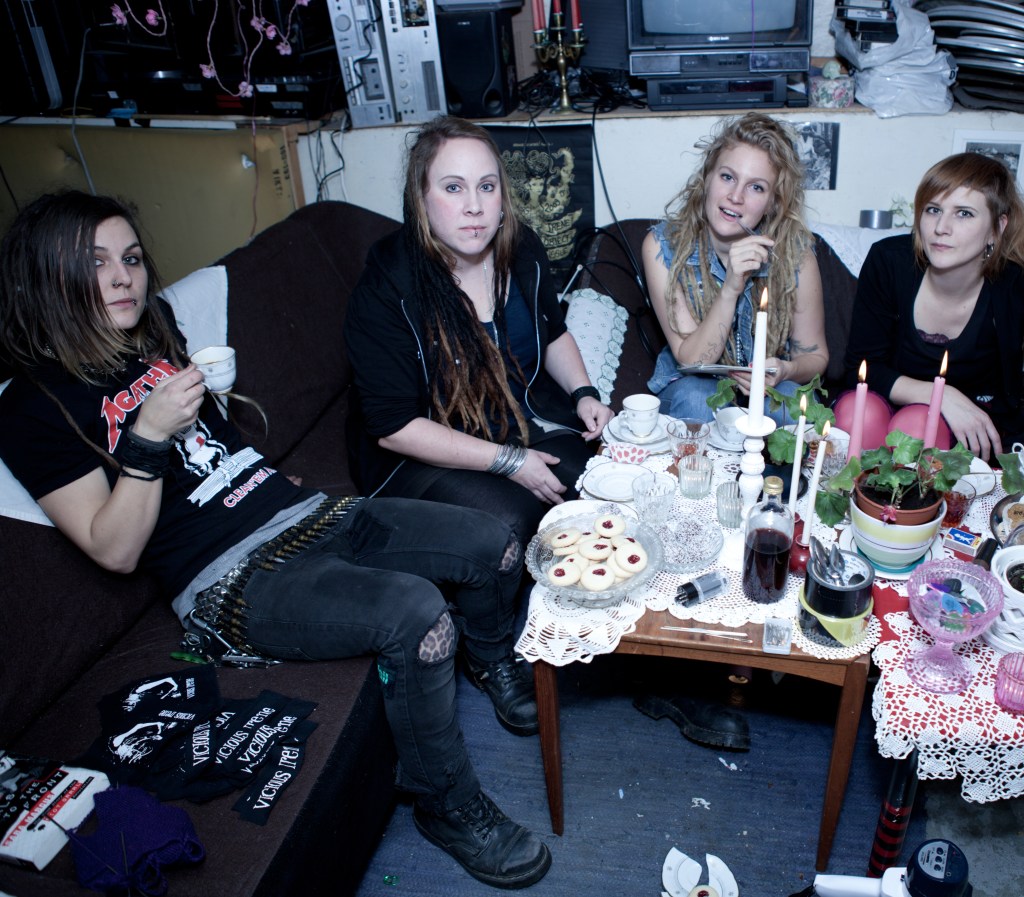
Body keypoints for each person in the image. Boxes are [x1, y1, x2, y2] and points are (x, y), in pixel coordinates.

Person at [0, 191, 551, 890]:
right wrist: (146, 436)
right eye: (95, 263)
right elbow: (114, 549)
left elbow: (213, 448)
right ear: (45, 278)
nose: (122, 278)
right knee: (417, 612)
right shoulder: (32, 406)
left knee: (493, 540)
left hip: (302, 513)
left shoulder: (150, 332)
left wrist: (256, 469)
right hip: (230, 577)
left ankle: (491, 661)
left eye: (131, 259)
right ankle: (446, 804)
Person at [345, 115, 614, 549]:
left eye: (486, 187)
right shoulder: (387, 286)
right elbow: (393, 427)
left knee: (598, 489)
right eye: (453, 188)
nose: (474, 206)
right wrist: (509, 461)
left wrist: (584, 393)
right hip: (427, 448)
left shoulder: (521, 249)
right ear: (421, 197)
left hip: (517, 419)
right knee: (512, 524)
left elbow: (553, 332)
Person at [643, 112, 828, 423]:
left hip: (769, 387)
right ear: (707, 178)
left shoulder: (796, 255)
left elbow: (816, 356)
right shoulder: (663, 245)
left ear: (773, 202)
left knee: (791, 406)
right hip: (692, 386)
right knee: (699, 399)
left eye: (756, 187)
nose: (735, 197)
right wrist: (731, 286)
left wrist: (786, 369)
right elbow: (692, 360)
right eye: (727, 177)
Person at [843, 152, 1024, 461]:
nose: (941, 227)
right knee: (857, 413)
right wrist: (942, 396)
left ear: (997, 227)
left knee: (917, 426)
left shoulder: (1013, 287)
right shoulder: (889, 262)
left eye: (964, 213)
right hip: (884, 406)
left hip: (967, 429)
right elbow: (860, 368)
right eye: (933, 209)